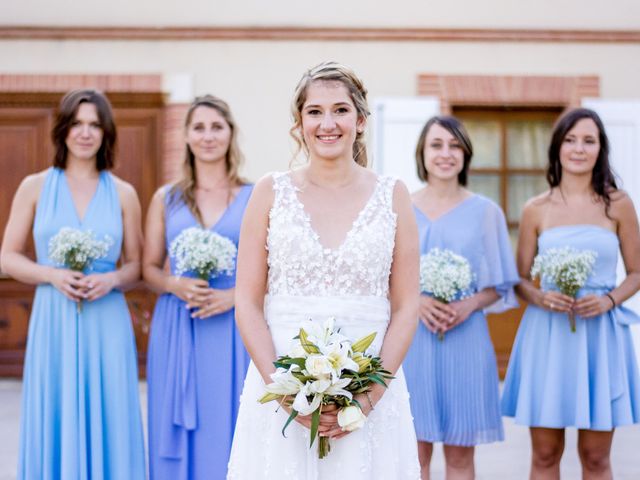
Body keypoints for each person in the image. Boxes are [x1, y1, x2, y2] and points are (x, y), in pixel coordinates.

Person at [226, 61, 421, 479]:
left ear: (362, 120)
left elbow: (406, 307)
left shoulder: (394, 195)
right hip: (281, 386)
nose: (327, 123)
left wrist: (366, 401)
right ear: (299, 123)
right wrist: (283, 392)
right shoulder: (269, 192)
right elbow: (246, 300)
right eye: (314, 112)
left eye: (340, 110)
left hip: (373, 389)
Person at [0, 89, 145, 479]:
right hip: (54, 317)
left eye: (95, 125)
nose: (85, 133)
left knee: (110, 407)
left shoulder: (124, 193)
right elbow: (8, 257)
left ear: (106, 133)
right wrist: (52, 274)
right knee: (55, 405)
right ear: (63, 130)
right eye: (77, 123)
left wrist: (111, 278)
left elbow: (136, 264)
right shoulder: (34, 186)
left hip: (107, 319)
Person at [501, 108, 640, 479]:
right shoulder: (535, 209)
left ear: (600, 149)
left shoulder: (619, 204)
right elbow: (519, 280)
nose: (579, 148)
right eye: (571, 139)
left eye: (589, 140)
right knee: (545, 456)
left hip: (600, 336)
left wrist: (609, 299)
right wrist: (541, 296)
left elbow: (636, 273)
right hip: (549, 335)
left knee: (596, 458)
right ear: (557, 147)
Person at [402, 116, 519, 480]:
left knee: (460, 455)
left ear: (466, 155)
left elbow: (499, 284)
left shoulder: (486, 212)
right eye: (436, 145)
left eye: (455, 146)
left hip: (466, 339)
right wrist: (416, 301)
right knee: (413, 454)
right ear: (422, 153)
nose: (446, 154)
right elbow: (381, 277)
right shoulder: (400, 206)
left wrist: (467, 305)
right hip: (411, 339)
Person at [143, 95, 252, 479]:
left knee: (234, 421)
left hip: (235, 326)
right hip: (179, 325)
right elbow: (149, 269)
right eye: (199, 127)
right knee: (173, 426)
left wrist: (235, 296)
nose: (208, 136)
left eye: (216, 127)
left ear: (230, 134)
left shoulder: (255, 196)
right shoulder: (166, 198)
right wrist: (175, 285)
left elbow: (277, 271)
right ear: (187, 136)